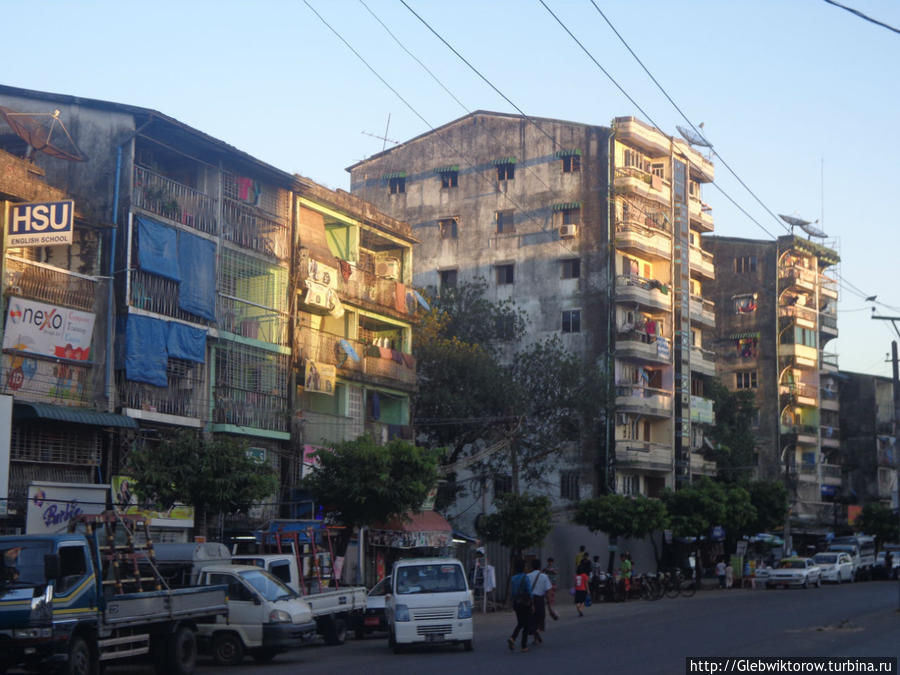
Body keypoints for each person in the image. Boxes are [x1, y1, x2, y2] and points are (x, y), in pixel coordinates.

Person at [508, 559, 533, 652]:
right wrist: (532, 603)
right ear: (523, 567)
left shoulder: (513, 578)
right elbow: (529, 592)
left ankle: (513, 638)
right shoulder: (525, 577)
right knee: (525, 625)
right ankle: (523, 645)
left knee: (520, 622)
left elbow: (512, 593)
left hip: (516, 603)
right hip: (525, 603)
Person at [527, 559, 552, 644]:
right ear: (540, 566)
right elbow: (548, 591)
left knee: (532, 618)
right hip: (540, 599)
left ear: (532, 566)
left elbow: (526, 589)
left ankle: (535, 638)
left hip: (530, 600)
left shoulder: (528, 576)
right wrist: (549, 603)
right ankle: (537, 631)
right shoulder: (544, 576)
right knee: (540, 618)